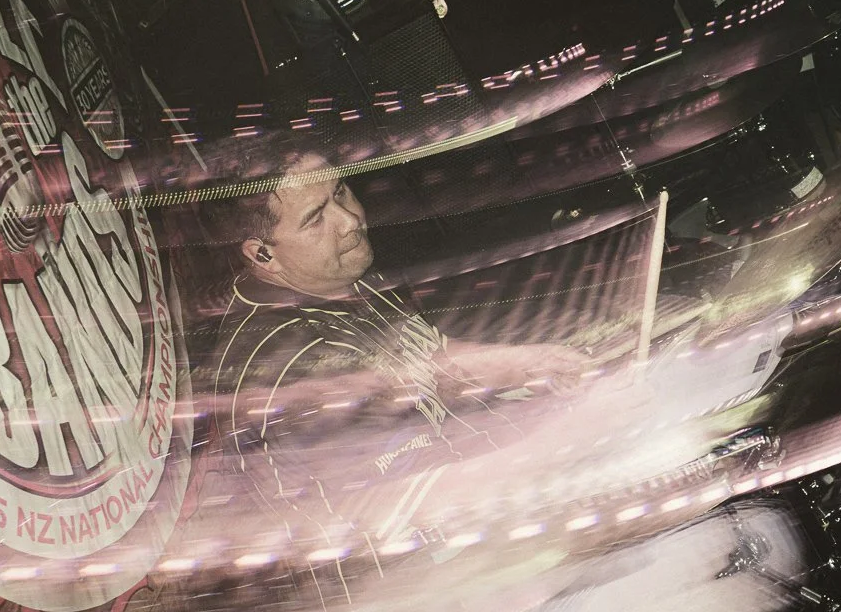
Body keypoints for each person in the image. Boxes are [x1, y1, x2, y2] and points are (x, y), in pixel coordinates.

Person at [195, 147, 587, 552]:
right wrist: (564, 443)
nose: (350, 220)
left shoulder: (339, 278)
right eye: (315, 218)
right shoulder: (293, 360)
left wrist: (529, 363)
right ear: (263, 254)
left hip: (471, 503)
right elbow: (406, 500)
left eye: (341, 192)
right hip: (424, 562)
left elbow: (429, 357)